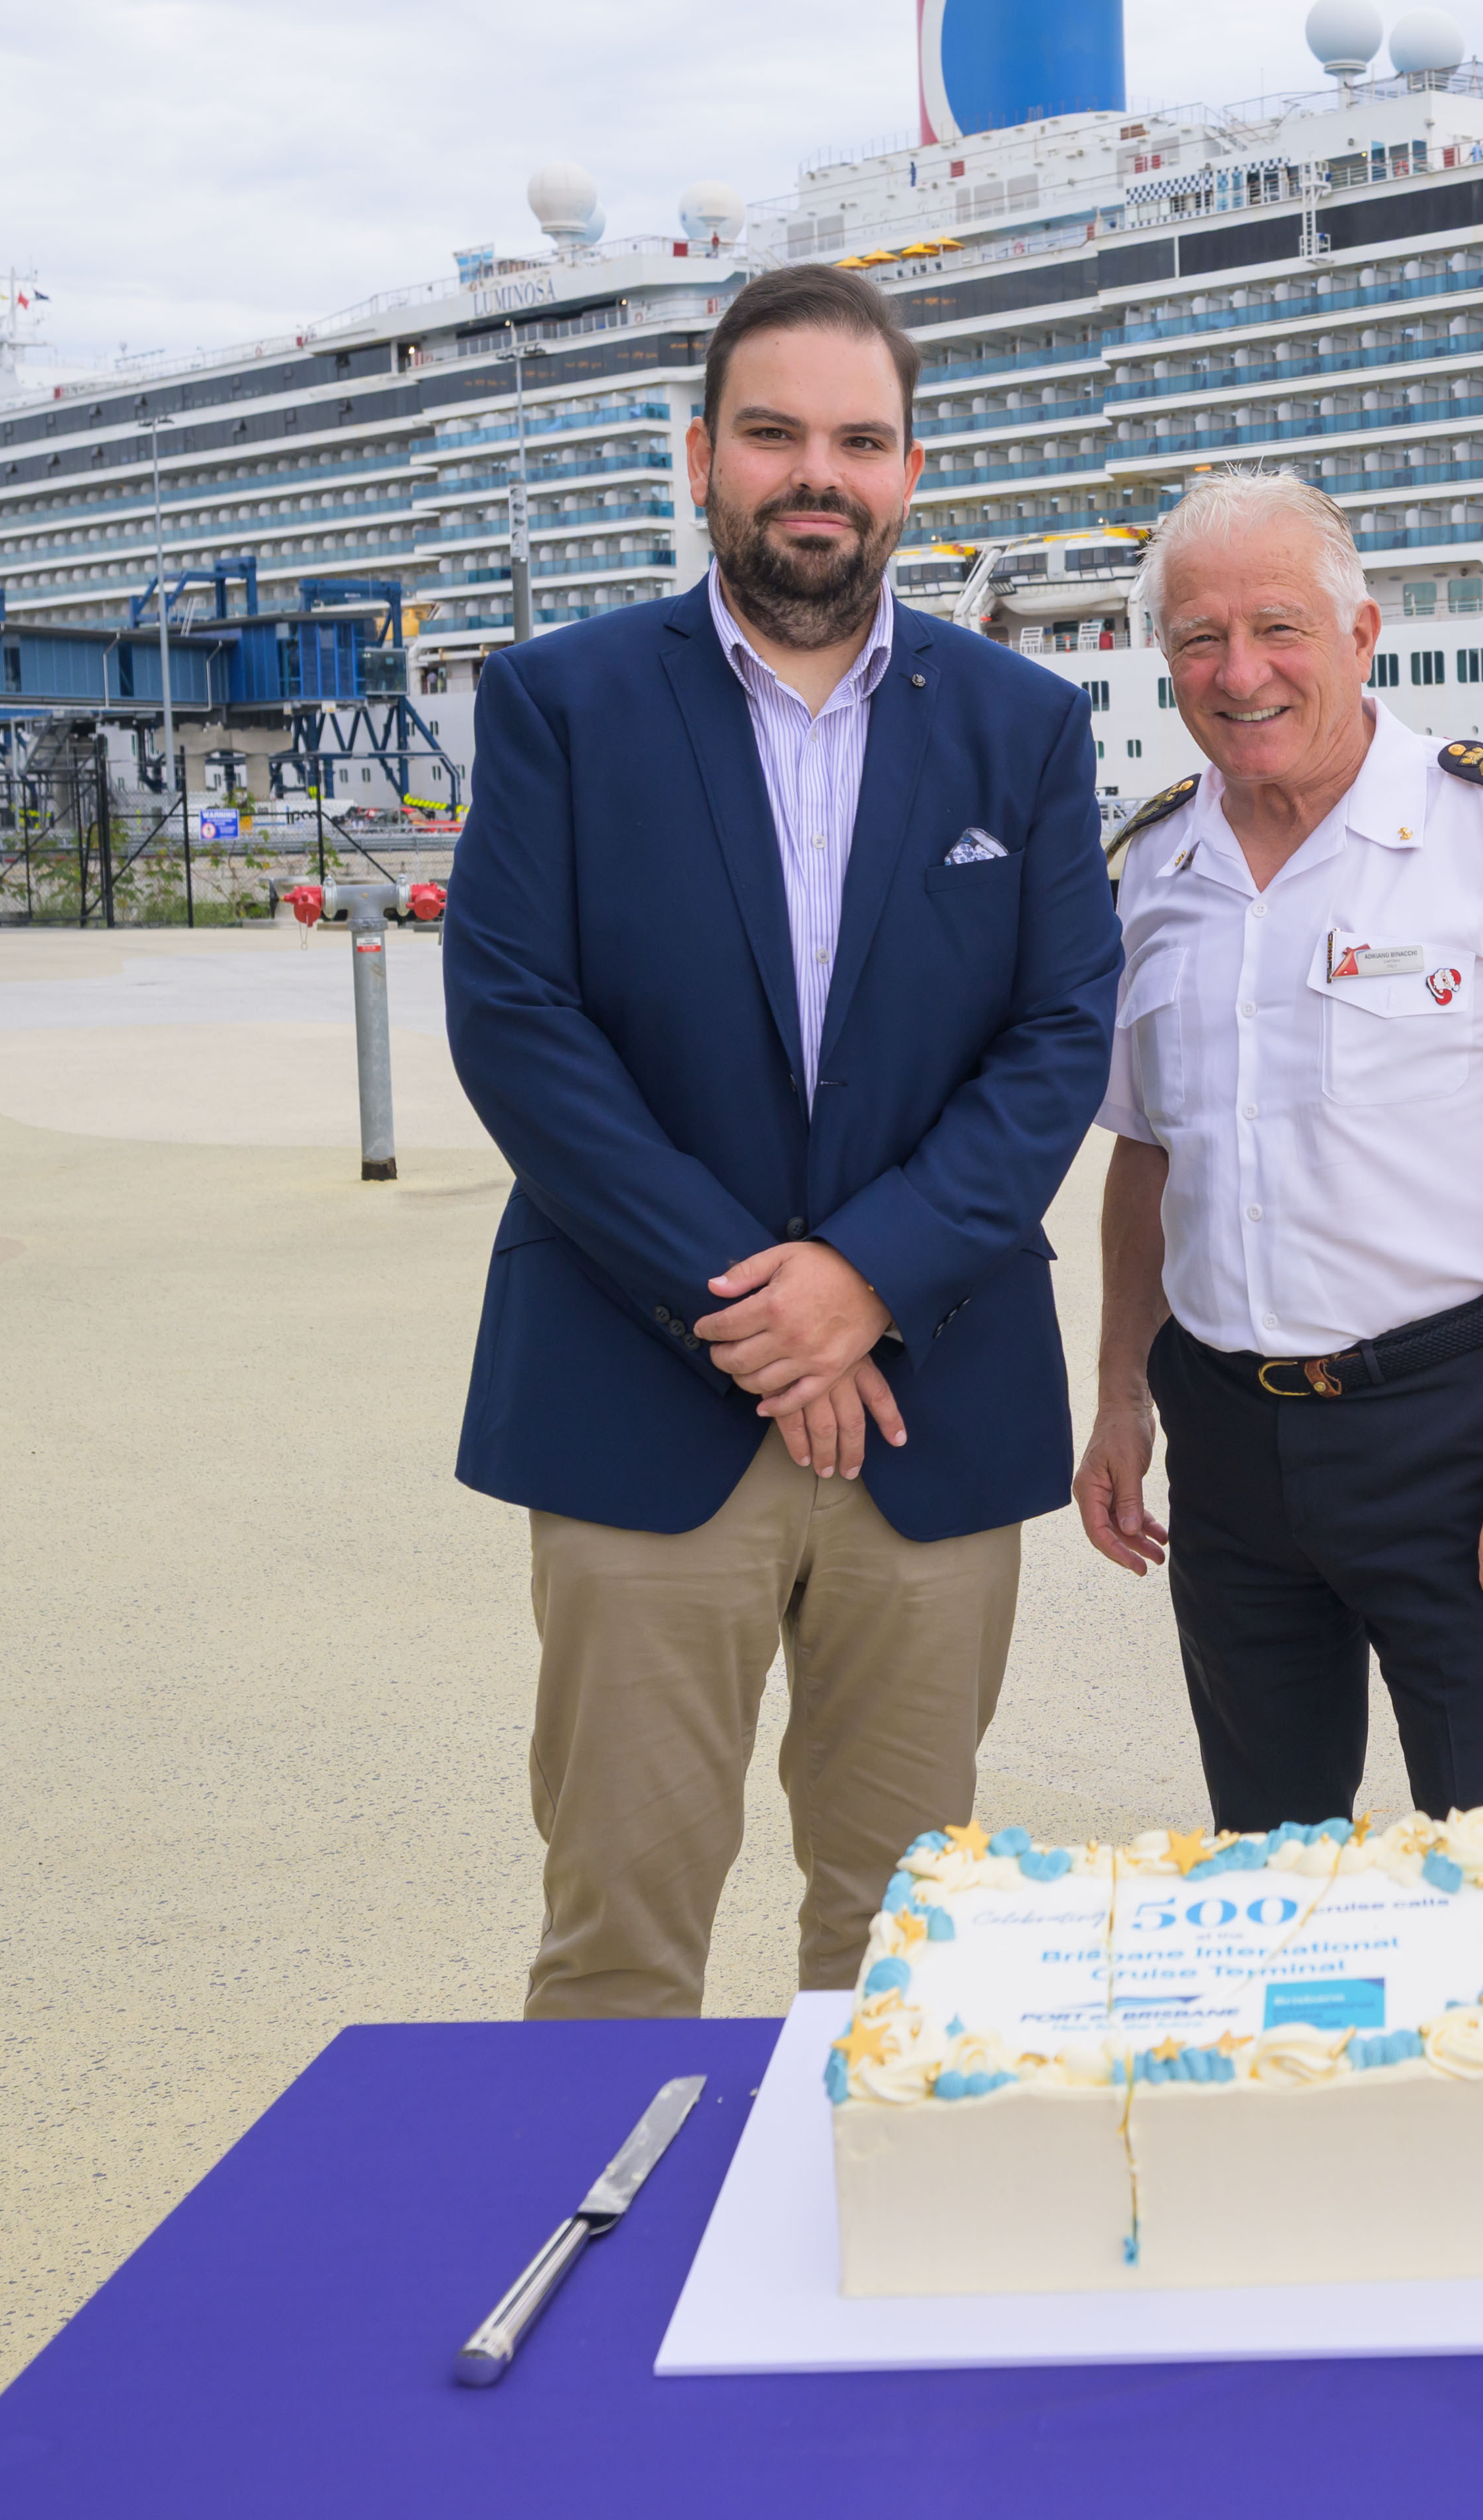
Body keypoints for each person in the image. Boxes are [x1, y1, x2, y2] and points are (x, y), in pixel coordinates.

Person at [446, 263, 1119, 2019]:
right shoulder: (559, 705)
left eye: (857, 439)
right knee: (617, 1932)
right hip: (639, 1394)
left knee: (901, 1941)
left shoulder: (1021, 726)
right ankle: (607, 2274)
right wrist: (766, 1305)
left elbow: (1057, 1041)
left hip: (931, 1394)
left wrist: (867, 1279)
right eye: (772, 435)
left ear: (911, 472)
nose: (814, 473)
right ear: (699, 459)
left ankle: (866, 2276)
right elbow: (519, 1027)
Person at [1072, 474, 1483, 1962]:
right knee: (1265, 1881)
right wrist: (1119, 1397)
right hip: (1228, 1432)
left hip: (1451, 1427)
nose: (1238, 670)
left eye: (1277, 625)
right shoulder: (1155, 866)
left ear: (1363, 631)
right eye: (1197, 637)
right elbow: (1145, 1155)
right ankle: (1305, 2169)